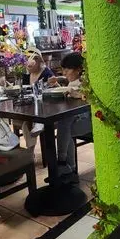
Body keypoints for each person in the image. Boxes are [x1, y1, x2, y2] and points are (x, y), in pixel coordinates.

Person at [47, 52, 91, 184]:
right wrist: (57, 85)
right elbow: (68, 94)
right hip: (76, 121)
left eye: (67, 69)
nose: (64, 72)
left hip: (89, 123)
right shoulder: (73, 82)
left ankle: (63, 164)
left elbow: (86, 98)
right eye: (63, 69)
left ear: (78, 69)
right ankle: (68, 169)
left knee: (64, 124)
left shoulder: (86, 83)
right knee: (66, 125)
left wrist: (80, 95)